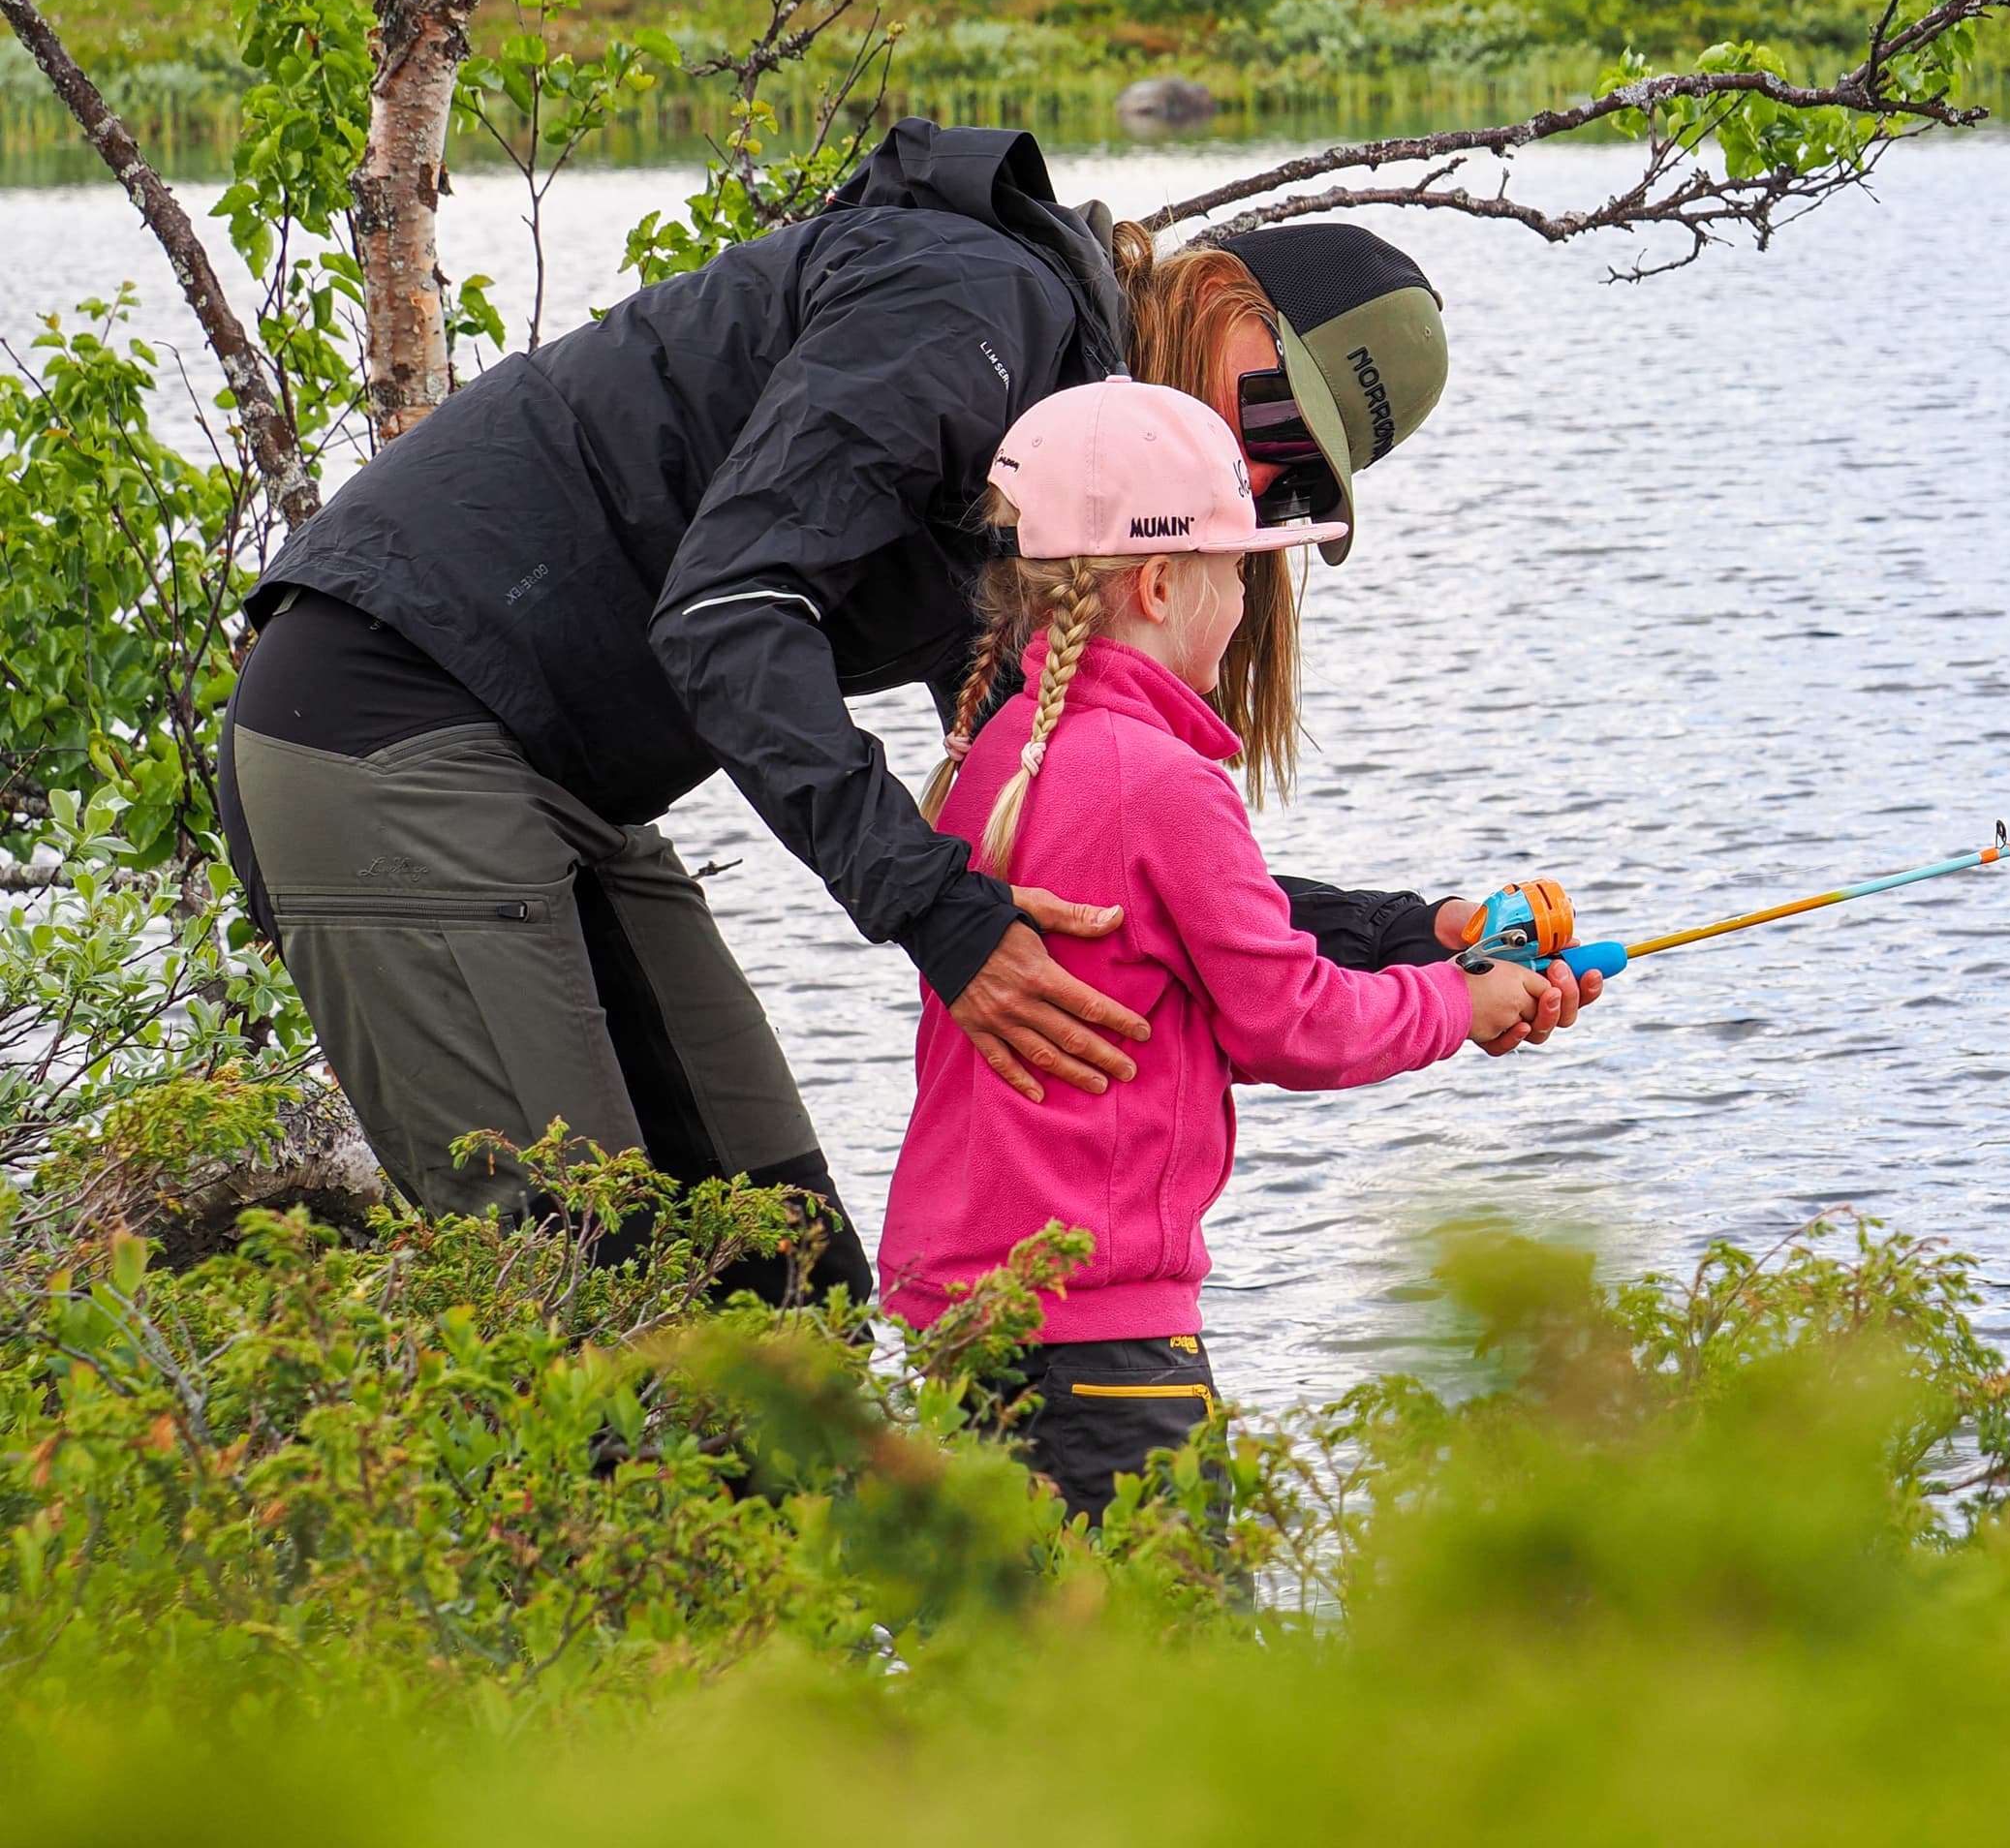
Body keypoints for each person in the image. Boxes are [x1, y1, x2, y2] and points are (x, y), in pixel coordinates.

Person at [215, 120, 1592, 1297]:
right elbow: (728, 611)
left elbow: (1105, 836)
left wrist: (1418, 937)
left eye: (1294, 482)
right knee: (578, 1291)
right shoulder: (971, 309)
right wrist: (939, 915)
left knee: (785, 1277)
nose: (1252, 465)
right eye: (1273, 414)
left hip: (558, 782)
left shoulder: (1064, 497)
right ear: (1216, 293)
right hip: (386, 721)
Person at [878, 377, 1562, 1519]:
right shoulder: (1163, 783)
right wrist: (1458, 1003)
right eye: (1239, 569)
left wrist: (1427, 951)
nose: (1248, 600)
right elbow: (1293, 1020)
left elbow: (1170, 1005)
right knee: (1180, 1672)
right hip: (1104, 1349)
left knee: (1013, 1677)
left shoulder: (997, 758)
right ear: (1158, 583)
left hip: (960, 1329)